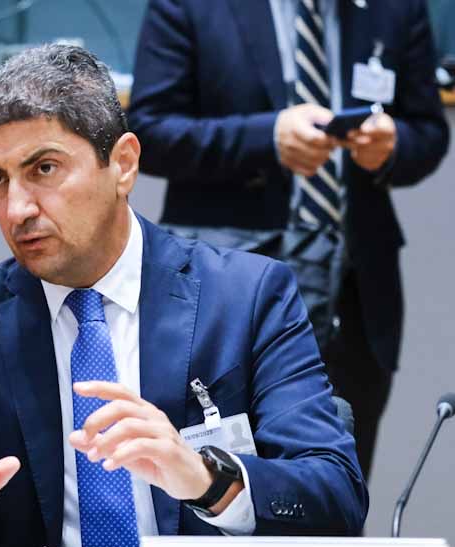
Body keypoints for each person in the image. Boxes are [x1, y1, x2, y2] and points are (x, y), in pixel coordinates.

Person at [0, 44, 367, 547]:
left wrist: (206, 479)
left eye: (44, 168)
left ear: (123, 164)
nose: (17, 209)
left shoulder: (246, 298)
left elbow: (334, 492)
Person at [127, 0, 451, 480]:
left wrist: (393, 145)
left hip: (355, 290)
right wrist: (267, 137)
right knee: (216, 486)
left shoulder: (395, 7)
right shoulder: (191, 6)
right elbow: (149, 131)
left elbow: (428, 131)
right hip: (225, 288)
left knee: (339, 481)